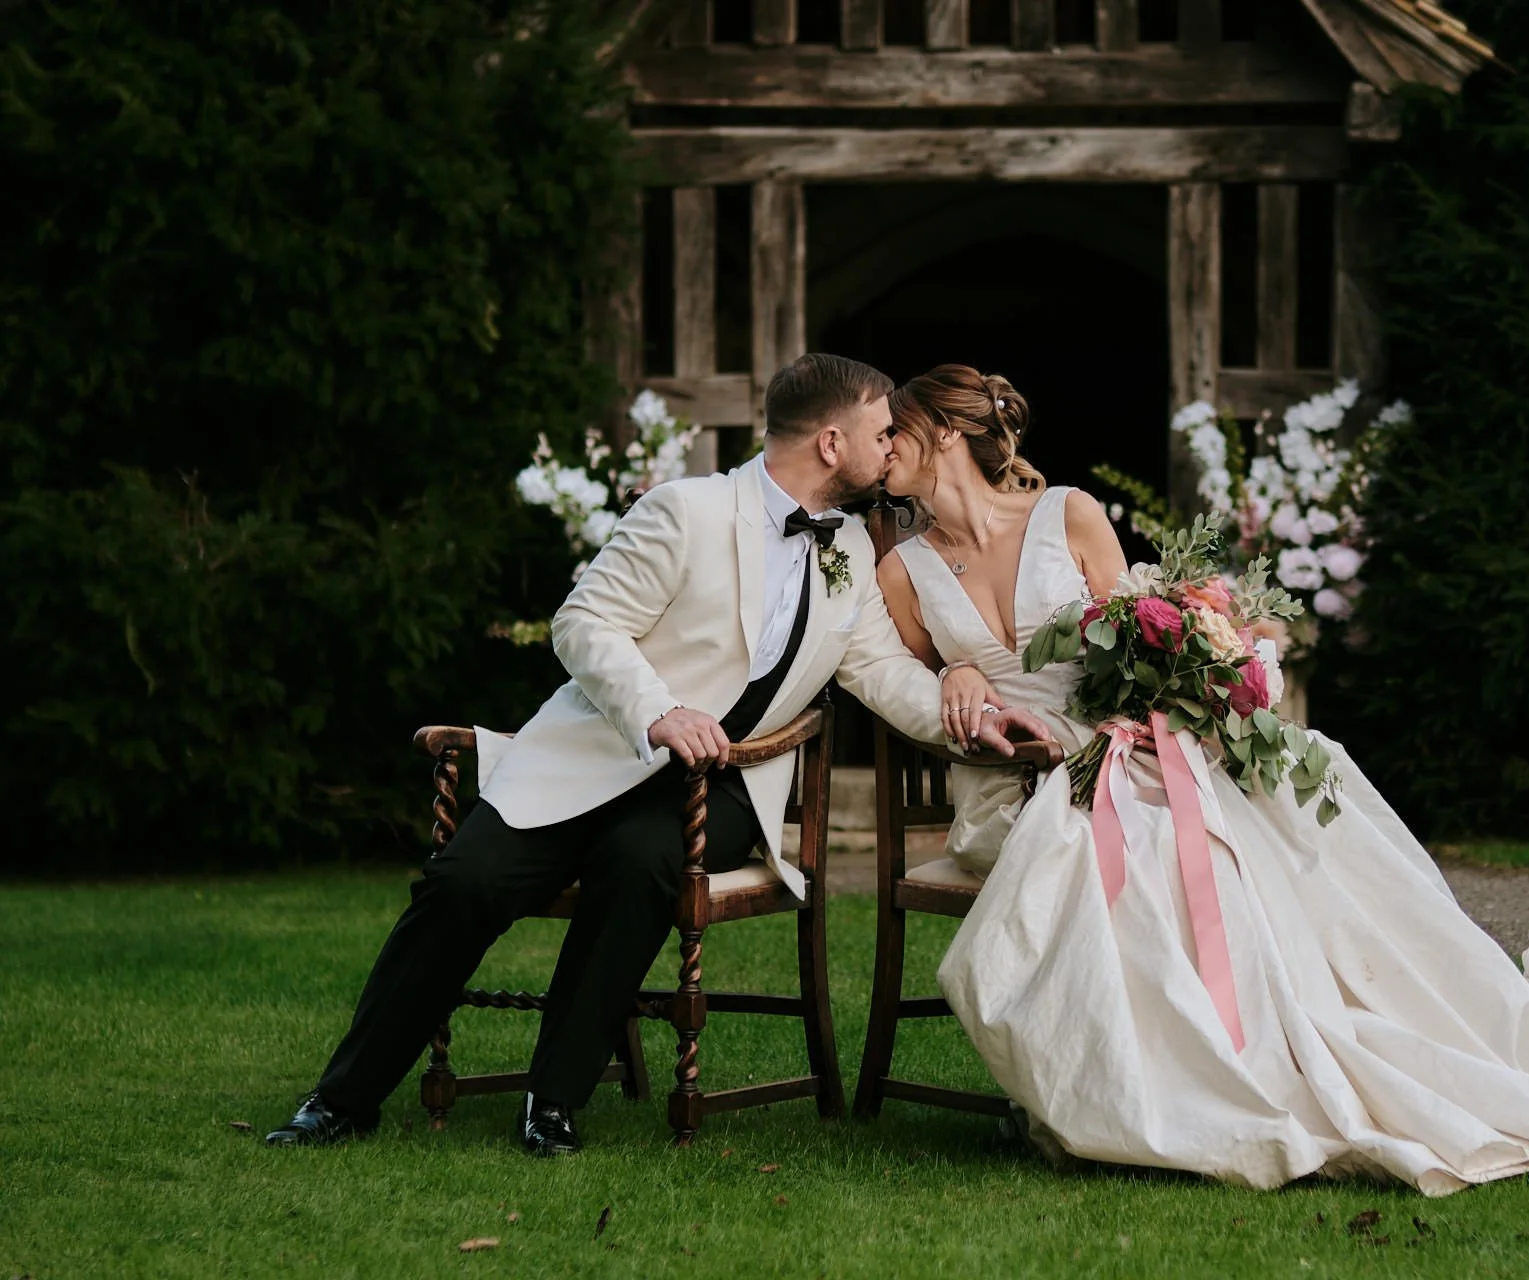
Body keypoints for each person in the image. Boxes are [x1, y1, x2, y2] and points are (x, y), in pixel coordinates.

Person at [876, 363, 1529, 1196]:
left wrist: (1171, 696)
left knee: (1229, 843)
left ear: (945, 433)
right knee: (1142, 850)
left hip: (1138, 746)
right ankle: (1146, 1085)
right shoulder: (900, 573)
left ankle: (1266, 1063)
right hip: (1020, 789)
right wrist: (957, 676)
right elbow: (915, 692)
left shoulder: (1070, 514)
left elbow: (1129, 640)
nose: (882, 452)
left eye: (896, 434)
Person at [265, 354, 1052, 1155]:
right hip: (593, 757)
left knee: (638, 863)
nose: (892, 446)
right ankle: (341, 1100)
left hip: (722, 784)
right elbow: (583, 623)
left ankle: (553, 1101)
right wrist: (659, 713)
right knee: (461, 886)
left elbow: (881, 669)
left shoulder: (847, 545)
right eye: (880, 431)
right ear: (829, 442)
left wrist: (975, 719)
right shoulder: (687, 511)